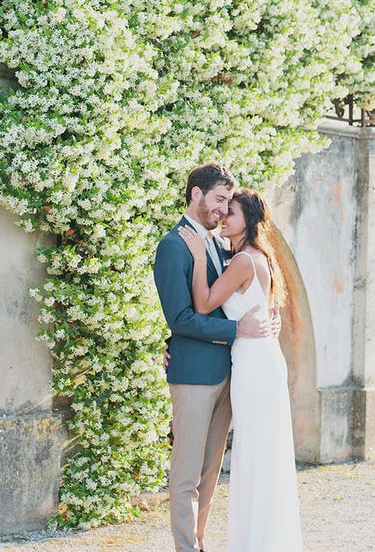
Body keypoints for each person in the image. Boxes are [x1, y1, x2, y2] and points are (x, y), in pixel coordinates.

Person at [153, 163, 279, 552]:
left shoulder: (219, 242)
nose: (224, 209)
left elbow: (236, 294)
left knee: (210, 473)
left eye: (228, 201)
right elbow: (180, 316)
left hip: (229, 372)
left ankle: (200, 543)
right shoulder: (173, 245)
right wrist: (235, 331)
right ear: (196, 195)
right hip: (193, 375)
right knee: (187, 473)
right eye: (219, 199)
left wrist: (267, 314)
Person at [178, 188, 303, 552]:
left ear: (247, 220)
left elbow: (203, 305)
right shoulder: (253, 257)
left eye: (230, 213)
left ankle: (259, 542)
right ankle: (260, 538)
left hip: (255, 365)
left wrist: (199, 258)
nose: (223, 218)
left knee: (257, 451)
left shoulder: (244, 262)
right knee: (258, 449)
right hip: (255, 360)